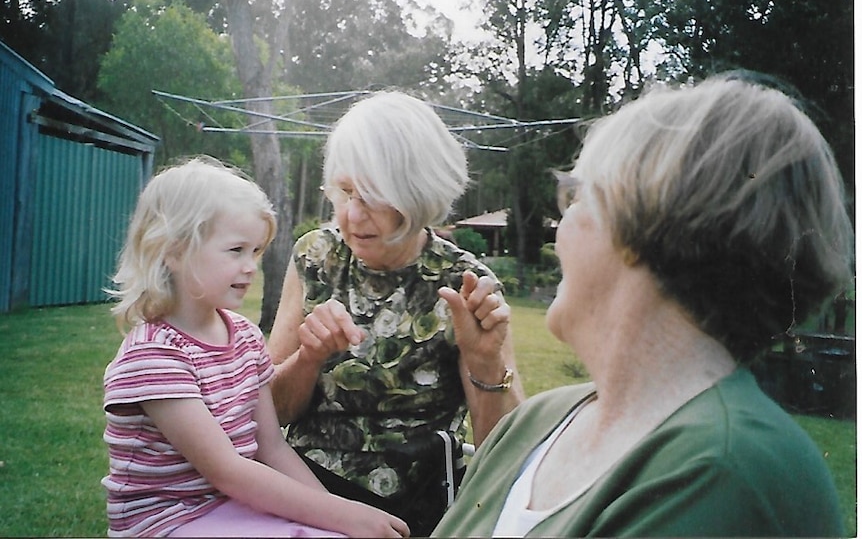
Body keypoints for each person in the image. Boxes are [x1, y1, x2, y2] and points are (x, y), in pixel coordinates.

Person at [432, 73, 854, 537]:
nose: (561, 229)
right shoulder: (536, 421)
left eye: (577, 196)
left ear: (641, 225)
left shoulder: (725, 469)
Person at [101, 157, 409, 538]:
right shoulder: (154, 355)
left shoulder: (245, 337)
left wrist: (338, 516)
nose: (250, 267)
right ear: (174, 251)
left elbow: (273, 449)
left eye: (256, 252)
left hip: (230, 506)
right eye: (236, 250)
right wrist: (344, 516)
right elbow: (227, 470)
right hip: (167, 522)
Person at [267, 91, 525, 535]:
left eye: (372, 197)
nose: (351, 215)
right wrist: (307, 358)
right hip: (303, 492)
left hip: (411, 510)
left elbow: (505, 452)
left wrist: (486, 362)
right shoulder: (316, 256)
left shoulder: (463, 282)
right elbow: (268, 412)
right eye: (345, 191)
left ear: (417, 193)